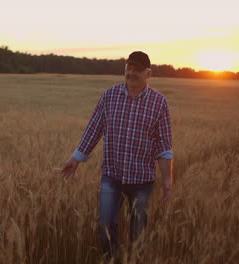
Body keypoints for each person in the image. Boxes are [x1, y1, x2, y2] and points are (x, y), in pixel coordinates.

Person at [60, 51, 173, 261]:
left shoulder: (159, 103)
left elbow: (163, 144)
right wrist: (75, 159)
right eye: (128, 68)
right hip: (112, 177)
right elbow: (94, 130)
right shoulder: (109, 96)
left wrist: (167, 178)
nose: (131, 73)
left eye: (137, 69)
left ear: (148, 73)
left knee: (138, 234)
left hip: (142, 181)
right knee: (105, 226)